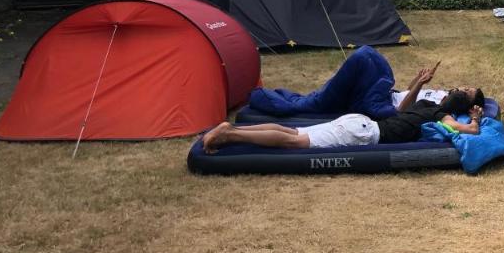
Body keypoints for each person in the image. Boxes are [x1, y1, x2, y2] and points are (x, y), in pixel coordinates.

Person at [202, 62, 486, 153]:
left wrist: (419, 85)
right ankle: (231, 134)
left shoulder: (427, 103)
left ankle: (235, 129)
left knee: (295, 130)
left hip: (359, 123)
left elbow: (402, 109)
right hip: (361, 133)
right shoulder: (439, 113)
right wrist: (474, 121)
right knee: (296, 141)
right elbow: (465, 130)